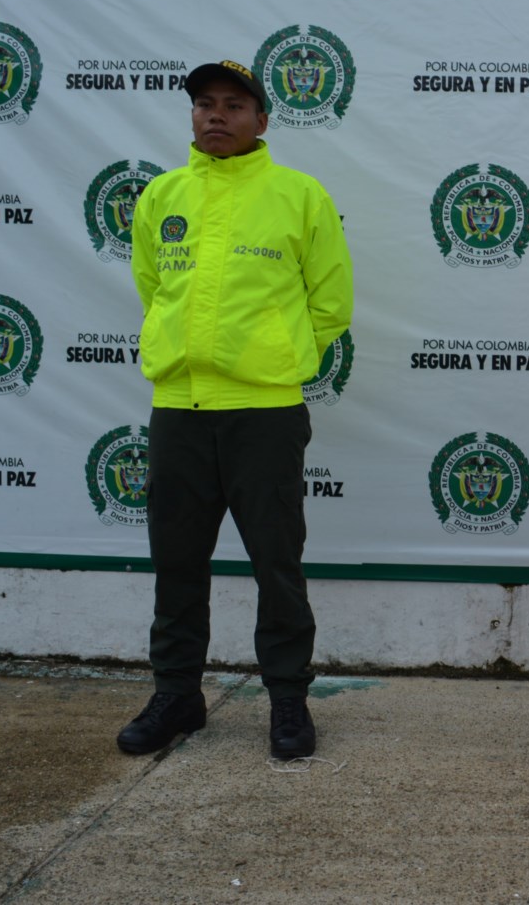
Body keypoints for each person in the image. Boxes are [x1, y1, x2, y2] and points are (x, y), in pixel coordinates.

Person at [116, 59, 354, 760]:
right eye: (204, 104)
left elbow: (331, 304)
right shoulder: (162, 195)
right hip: (179, 408)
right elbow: (153, 287)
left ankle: (287, 699)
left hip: (264, 412)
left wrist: (275, 357)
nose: (215, 115)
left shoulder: (299, 195)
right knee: (176, 563)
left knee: (277, 565)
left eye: (233, 105)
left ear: (261, 120)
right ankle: (177, 696)